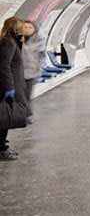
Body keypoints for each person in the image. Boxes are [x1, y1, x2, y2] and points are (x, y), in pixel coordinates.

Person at [0, 17, 28, 160]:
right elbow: (4, 66)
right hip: (6, 87)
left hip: (9, 85)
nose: (24, 29)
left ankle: (3, 146)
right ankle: (1, 149)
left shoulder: (12, 41)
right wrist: (9, 88)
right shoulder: (8, 42)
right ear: (15, 27)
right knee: (4, 117)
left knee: (5, 117)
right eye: (21, 26)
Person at [21, 21, 43, 124]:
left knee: (27, 95)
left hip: (32, 72)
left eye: (30, 27)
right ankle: (23, 115)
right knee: (20, 96)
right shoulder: (16, 40)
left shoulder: (39, 40)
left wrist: (40, 67)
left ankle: (28, 115)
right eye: (25, 27)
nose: (27, 29)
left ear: (34, 29)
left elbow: (42, 56)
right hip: (18, 72)